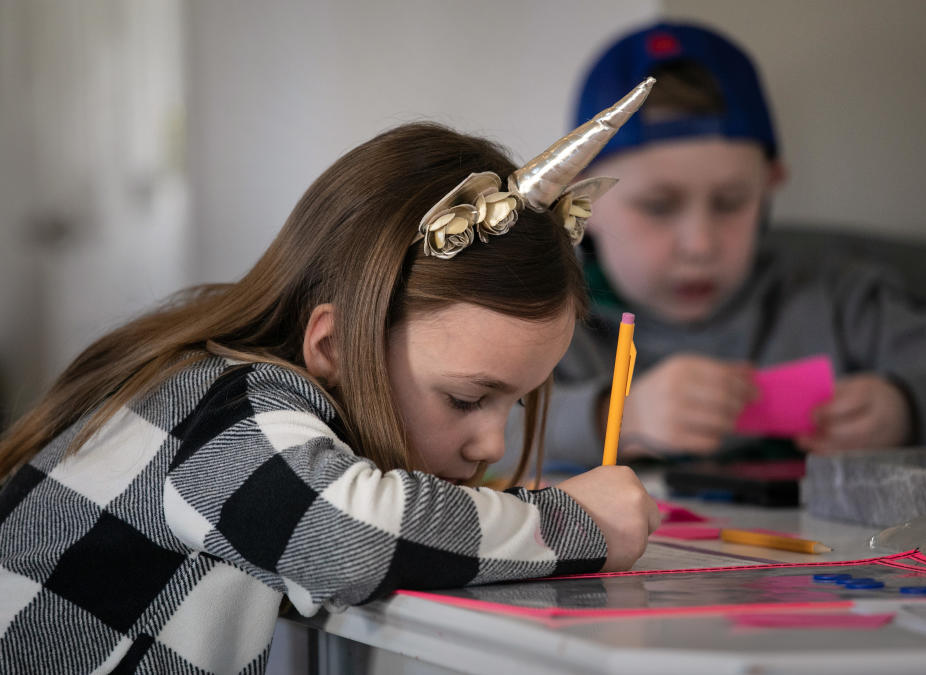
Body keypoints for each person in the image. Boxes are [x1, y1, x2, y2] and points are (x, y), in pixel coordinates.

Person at [0, 85, 663, 673]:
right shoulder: (226, 407)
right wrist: (578, 522)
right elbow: (344, 540)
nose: (490, 442)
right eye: (467, 398)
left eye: (513, 404)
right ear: (333, 345)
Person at [521, 21, 926, 470]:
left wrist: (906, 407)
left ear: (770, 186)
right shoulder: (547, 316)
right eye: (657, 207)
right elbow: (475, 427)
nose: (699, 245)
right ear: (581, 201)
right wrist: (616, 417)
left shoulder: (839, 300)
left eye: (730, 203)